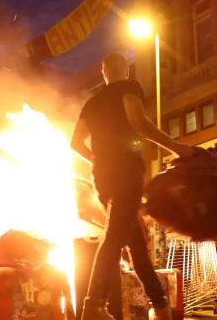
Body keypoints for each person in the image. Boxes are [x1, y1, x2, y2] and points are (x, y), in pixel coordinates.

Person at [71, 53, 195, 320]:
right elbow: (138, 121)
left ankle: (160, 307)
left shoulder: (92, 103)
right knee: (114, 236)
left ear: (103, 73)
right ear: (125, 71)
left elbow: (75, 142)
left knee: (135, 246)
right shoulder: (128, 88)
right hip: (126, 173)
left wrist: (97, 159)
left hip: (102, 177)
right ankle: (93, 306)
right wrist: (175, 148)